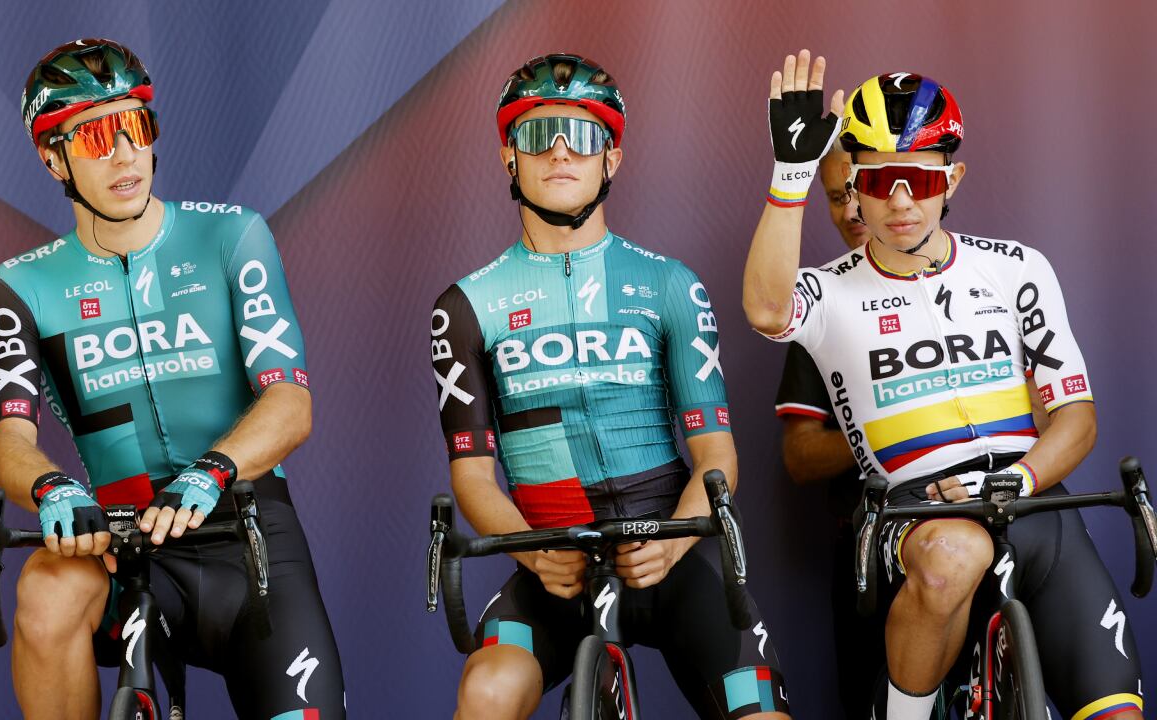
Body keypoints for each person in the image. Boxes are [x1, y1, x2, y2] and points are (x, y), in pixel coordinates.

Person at [743, 50, 1141, 720]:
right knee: (956, 553)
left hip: (1033, 503)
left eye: (920, 182)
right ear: (854, 188)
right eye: (882, 180)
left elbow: (1076, 417)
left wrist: (1020, 479)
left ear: (952, 178)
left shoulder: (1018, 269)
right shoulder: (832, 289)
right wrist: (789, 176)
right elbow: (764, 309)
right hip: (913, 514)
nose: (900, 202)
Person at [0, 38, 345, 718]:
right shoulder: (22, 284)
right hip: (121, 543)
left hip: (248, 534)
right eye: (95, 134)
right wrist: (47, 483)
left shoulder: (232, 236)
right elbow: (7, 434)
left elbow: (290, 401)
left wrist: (212, 471)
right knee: (44, 588)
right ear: (51, 156)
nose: (124, 154)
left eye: (136, 127)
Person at [430, 53, 791, 719]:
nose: (561, 151)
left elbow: (717, 459)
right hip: (552, 557)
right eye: (539, 135)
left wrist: (677, 538)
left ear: (612, 160)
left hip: (668, 549)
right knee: (486, 692)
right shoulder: (467, 306)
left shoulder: (670, 285)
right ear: (509, 157)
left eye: (585, 135)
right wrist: (537, 555)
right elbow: (474, 481)